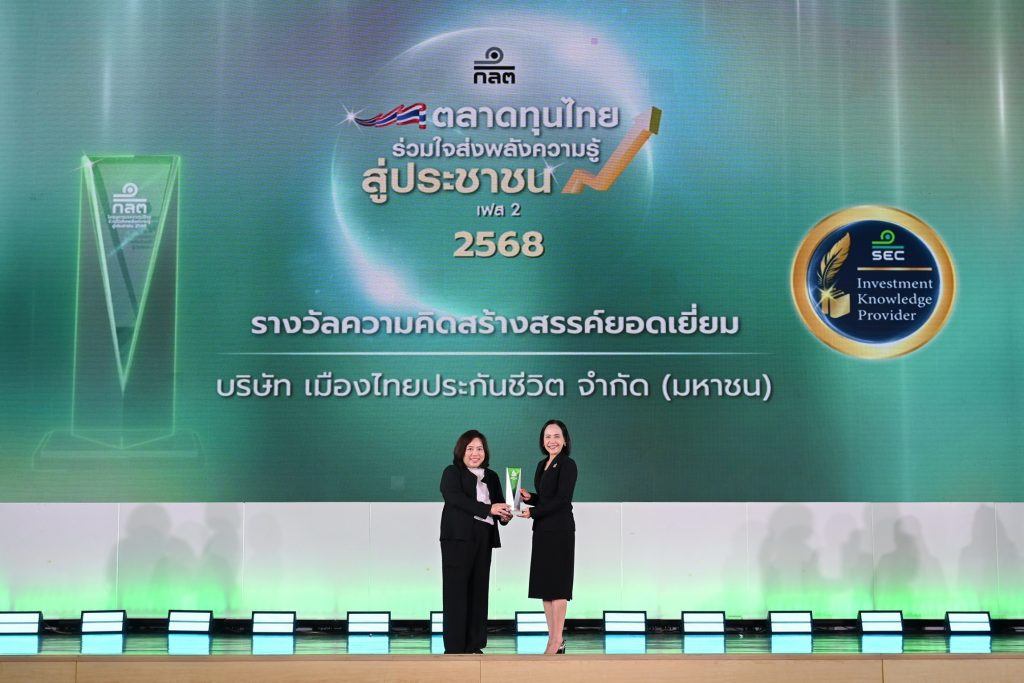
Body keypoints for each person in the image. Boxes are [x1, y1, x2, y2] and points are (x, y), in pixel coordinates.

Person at [439, 429, 511, 654]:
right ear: (461, 451)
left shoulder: (492, 476)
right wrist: (488, 509)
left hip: (484, 536)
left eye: (479, 449)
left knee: (479, 592)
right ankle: (455, 647)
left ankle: (474, 644)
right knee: (456, 593)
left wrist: (505, 515)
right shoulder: (452, 472)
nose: (475, 453)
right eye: (470, 448)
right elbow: (454, 498)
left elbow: (499, 505)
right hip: (458, 539)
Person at [519, 419, 577, 655]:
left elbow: (562, 500)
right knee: (545, 587)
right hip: (542, 530)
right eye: (547, 436)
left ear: (565, 440)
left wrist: (533, 511)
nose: (551, 441)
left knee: (558, 587)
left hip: (560, 531)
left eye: (556, 436)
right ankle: (553, 639)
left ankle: (557, 639)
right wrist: (530, 497)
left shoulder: (568, 464)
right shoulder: (541, 464)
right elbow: (545, 498)